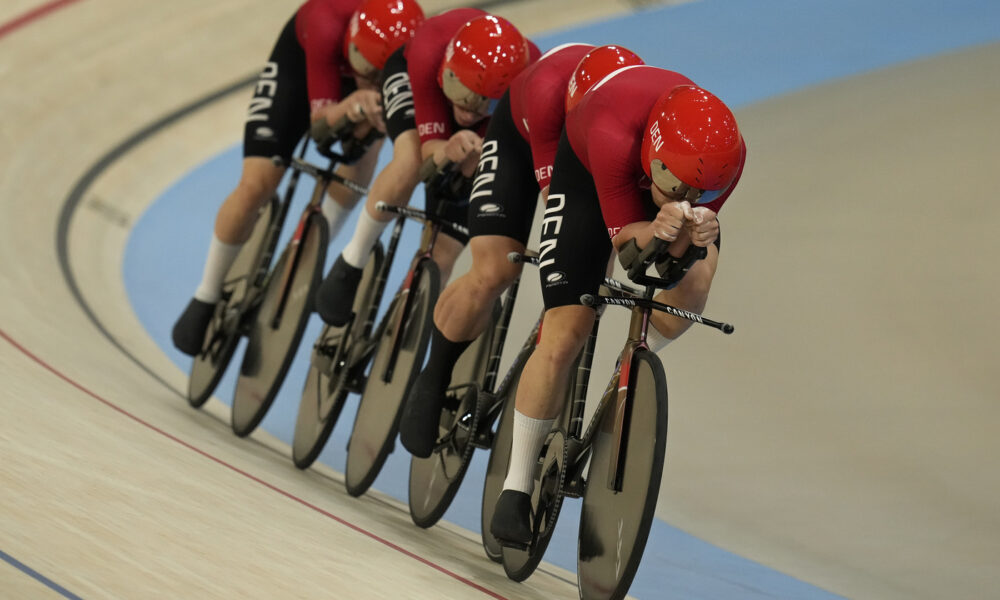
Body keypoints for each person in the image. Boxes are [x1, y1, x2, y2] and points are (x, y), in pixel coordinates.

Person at [489, 66, 747, 544]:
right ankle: (516, 486)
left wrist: (694, 232)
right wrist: (655, 229)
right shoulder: (612, 131)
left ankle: (630, 370)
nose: (688, 198)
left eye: (701, 193)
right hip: (589, 175)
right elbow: (629, 251)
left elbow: (676, 257)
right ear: (653, 155)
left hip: (667, 168)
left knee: (697, 278)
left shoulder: (725, 161)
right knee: (567, 331)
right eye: (678, 188)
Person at [397, 44, 645, 459]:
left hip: (592, 157)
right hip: (521, 136)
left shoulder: (627, 124)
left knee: (583, 296)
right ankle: (433, 376)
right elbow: (557, 202)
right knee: (495, 269)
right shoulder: (549, 93)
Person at [171, 0, 424, 355]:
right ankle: (206, 293)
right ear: (351, 40)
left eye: (377, 74)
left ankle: (308, 253)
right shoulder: (326, 22)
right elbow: (320, 125)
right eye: (364, 66)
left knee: (366, 153)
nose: (367, 78)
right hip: (302, 66)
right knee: (257, 184)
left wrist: (370, 107)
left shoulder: (402, 60)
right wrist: (352, 105)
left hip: (369, 85)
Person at [314, 13, 540, 327]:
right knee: (409, 161)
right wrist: (447, 149)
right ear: (447, 71)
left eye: (483, 103)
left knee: (443, 255)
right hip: (416, 80)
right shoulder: (428, 51)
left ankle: (401, 334)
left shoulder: (529, 82)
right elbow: (429, 152)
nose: (467, 112)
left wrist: (477, 159)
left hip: (493, 115)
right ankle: (352, 259)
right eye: (461, 95)